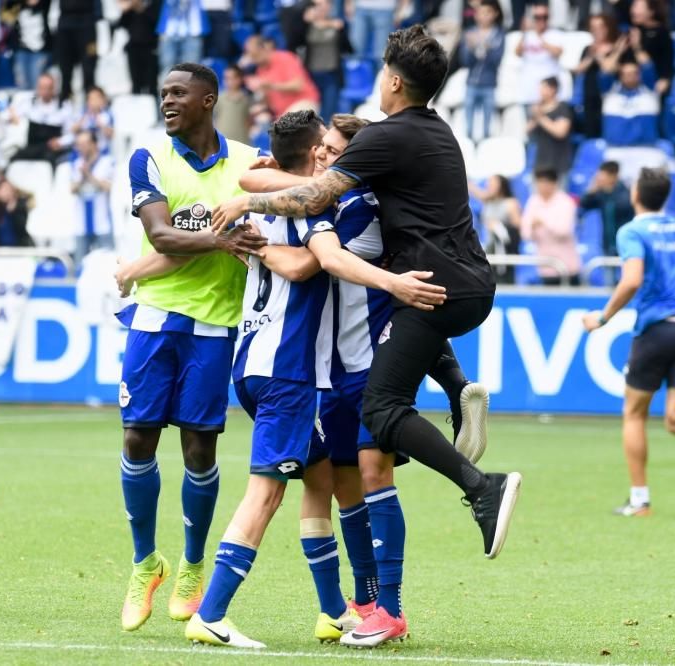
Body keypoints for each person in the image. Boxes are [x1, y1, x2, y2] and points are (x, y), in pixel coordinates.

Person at [212, 25, 522, 648]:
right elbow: (295, 185)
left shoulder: (377, 154)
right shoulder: (432, 133)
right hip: (456, 287)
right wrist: (261, 185)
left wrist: (249, 204)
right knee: (362, 468)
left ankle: (480, 488)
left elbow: (312, 207)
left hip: (416, 302)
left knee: (383, 414)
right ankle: (374, 607)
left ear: (394, 80)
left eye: (335, 147)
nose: (328, 154)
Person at [237, 112, 492, 642]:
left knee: (375, 479)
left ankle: (390, 609)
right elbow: (253, 178)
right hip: (331, 368)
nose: (326, 157)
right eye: (323, 149)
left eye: (335, 151)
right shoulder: (339, 195)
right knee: (344, 485)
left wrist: (255, 231)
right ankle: (366, 600)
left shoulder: (357, 207)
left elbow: (309, 263)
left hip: (368, 364)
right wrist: (280, 177)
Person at [114, 62, 268, 634]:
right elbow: (161, 234)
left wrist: (246, 233)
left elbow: (272, 218)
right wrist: (224, 239)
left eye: (179, 93)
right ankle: (143, 562)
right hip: (154, 318)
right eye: (163, 94)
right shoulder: (149, 159)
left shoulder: (251, 163)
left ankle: (192, 565)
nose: (167, 102)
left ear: (209, 100)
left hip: (217, 324)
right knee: (137, 436)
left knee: (200, 449)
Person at [184, 110, 336, 649]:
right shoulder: (313, 207)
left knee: (319, 478)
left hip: (252, 361)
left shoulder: (269, 201)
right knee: (266, 495)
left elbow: (252, 180)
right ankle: (212, 612)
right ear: (316, 151)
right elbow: (300, 267)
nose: (332, 156)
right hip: (286, 369)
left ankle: (334, 612)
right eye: (327, 148)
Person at [582, 167, 675, 517]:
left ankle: (640, 501)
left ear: (637, 194)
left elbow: (632, 280)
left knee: (634, 414)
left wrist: (602, 318)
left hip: (655, 330)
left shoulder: (632, 231)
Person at [521, 168, 581, 286]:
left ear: (554, 183)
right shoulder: (533, 201)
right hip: (545, 266)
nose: (541, 186)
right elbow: (525, 233)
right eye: (539, 182)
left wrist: (544, 222)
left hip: (567, 267)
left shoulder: (565, 202)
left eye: (545, 182)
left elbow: (564, 231)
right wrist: (532, 227)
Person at [458, 0, 505, 143]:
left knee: (487, 124)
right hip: (471, 83)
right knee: (468, 125)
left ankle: (485, 149)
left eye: (487, 13)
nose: (484, 16)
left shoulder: (498, 34)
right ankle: (469, 148)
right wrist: (471, 48)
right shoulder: (469, 33)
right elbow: (465, 61)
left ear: (495, 14)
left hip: (489, 83)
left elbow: (496, 61)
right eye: (481, 13)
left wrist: (484, 47)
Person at [241, 35, 320, 118]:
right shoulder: (260, 70)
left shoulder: (285, 58)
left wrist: (271, 85)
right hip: (282, 113)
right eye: (252, 57)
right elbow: (270, 102)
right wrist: (261, 98)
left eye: (255, 55)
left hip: (303, 102)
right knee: (260, 121)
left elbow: (298, 85)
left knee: (290, 123)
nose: (254, 60)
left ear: (263, 49)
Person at [8, 72, 74, 166]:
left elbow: (72, 133)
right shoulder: (30, 103)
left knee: (50, 160)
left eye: (47, 88)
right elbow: (12, 116)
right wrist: (12, 115)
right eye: (41, 87)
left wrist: (60, 141)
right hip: (33, 146)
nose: (44, 91)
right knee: (13, 159)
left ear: (53, 88)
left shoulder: (64, 106)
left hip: (52, 148)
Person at [574, 12, 621, 139]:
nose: (597, 31)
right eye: (593, 28)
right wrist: (591, 55)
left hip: (609, 96)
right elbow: (579, 69)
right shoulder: (588, 49)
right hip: (590, 95)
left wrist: (599, 56)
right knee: (590, 131)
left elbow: (609, 68)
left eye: (600, 27)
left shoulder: (616, 48)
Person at [70, 130, 114, 260]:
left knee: (107, 263)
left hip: (102, 222)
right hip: (81, 223)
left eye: (84, 144)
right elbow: (72, 189)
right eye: (78, 144)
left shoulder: (107, 161)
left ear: (94, 144)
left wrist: (88, 174)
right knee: (80, 265)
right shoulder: (76, 163)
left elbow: (107, 187)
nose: (81, 148)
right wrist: (82, 178)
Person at [469, 174, 521, 284]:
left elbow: (518, 227)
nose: (489, 186)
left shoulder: (510, 203)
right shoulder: (488, 202)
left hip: (505, 250)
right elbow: (477, 192)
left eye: (493, 183)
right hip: (490, 248)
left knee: (504, 281)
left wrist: (499, 227)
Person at [302, 0, 347, 123]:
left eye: (324, 4)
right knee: (308, 115)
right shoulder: (305, 24)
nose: (321, 8)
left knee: (328, 115)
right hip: (310, 75)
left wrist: (335, 27)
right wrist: (306, 21)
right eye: (317, 5)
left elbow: (348, 47)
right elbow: (293, 40)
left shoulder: (338, 24)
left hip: (331, 74)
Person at [579, 161, 634, 258]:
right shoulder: (601, 194)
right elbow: (584, 204)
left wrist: (608, 192)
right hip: (608, 245)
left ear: (613, 176)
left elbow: (622, 206)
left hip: (625, 244)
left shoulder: (626, 193)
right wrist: (592, 189)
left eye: (604, 176)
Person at [515, 5, 564, 110]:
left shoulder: (556, 34)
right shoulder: (527, 35)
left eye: (545, 17)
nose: (541, 20)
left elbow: (558, 52)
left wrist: (540, 37)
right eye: (537, 17)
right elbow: (517, 53)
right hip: (529, 91)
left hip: (549, 93)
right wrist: (524, 33)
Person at [622, 0, 673, 99]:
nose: (633, 11)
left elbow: (667, 59)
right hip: (630, 83)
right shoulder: (632, 31)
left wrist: (665, 78)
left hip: (652, 83)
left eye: (638, 8)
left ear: (651, 12)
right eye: (633, 7)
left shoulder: (662, 32)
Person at [602, 61, 660, 146]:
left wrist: (638, 49)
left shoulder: (650, 92)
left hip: (646, 149)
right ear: (620, 76)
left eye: (634, 73)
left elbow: (648, 66)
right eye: (626, 73)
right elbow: (605, 73)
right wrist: (619, 50)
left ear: (640, 75)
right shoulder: (609, 93)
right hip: (615, 148)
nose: (630, 76)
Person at [527, 77, 573, 179]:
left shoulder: (563, 108)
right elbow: (527, 130)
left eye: (543, 88)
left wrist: (541, 117)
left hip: (558, 164)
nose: (540, 92)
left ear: (553, 89)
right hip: (540, 163)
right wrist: (536, 116)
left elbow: (560, 132)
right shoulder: (538, 108)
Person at [55, 0, 100, 101]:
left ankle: (90, 101)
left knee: (89, 67)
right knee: (65, 68)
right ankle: (65, 100)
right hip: (65, 23)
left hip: (87, 24)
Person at [115, 0, 159, 96]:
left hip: (150, 47)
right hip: (133, 48)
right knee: (135, 82)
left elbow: (156, 22)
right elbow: (121, 24)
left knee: (151, 82)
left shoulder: (154, 4)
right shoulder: (130, 9)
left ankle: (154, 106)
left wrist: (141, 9)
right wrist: (127, 10)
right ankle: (136, 106)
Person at [156, 0, 208, 80]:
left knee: (191, 68)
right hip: (169, 29)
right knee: (167, 65)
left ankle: (190, 91)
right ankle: (167, 91)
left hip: (193, 29)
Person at [7, 0, 52, 90]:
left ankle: (36, 103)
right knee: (22, 85)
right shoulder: (16, 5)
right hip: (21, 50)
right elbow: (6, 15)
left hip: (41, 51)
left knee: (37, 83)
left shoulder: (47, 4)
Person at [0, 177, 35, 246]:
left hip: (20, 245)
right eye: (3, 189)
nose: (6, 192)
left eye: (8, 190)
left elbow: (21, 228)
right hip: (0, 245)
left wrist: (15, 211)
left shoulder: (20, 204)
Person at [214, 65, 252, 144]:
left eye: (233, 78)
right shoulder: (219, 99)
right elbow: (215, 119)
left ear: (240, 79)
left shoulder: (246, 99)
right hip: (223, 142)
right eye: (226, 78)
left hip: (242, 141)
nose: (230, 82)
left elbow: (249, 121)